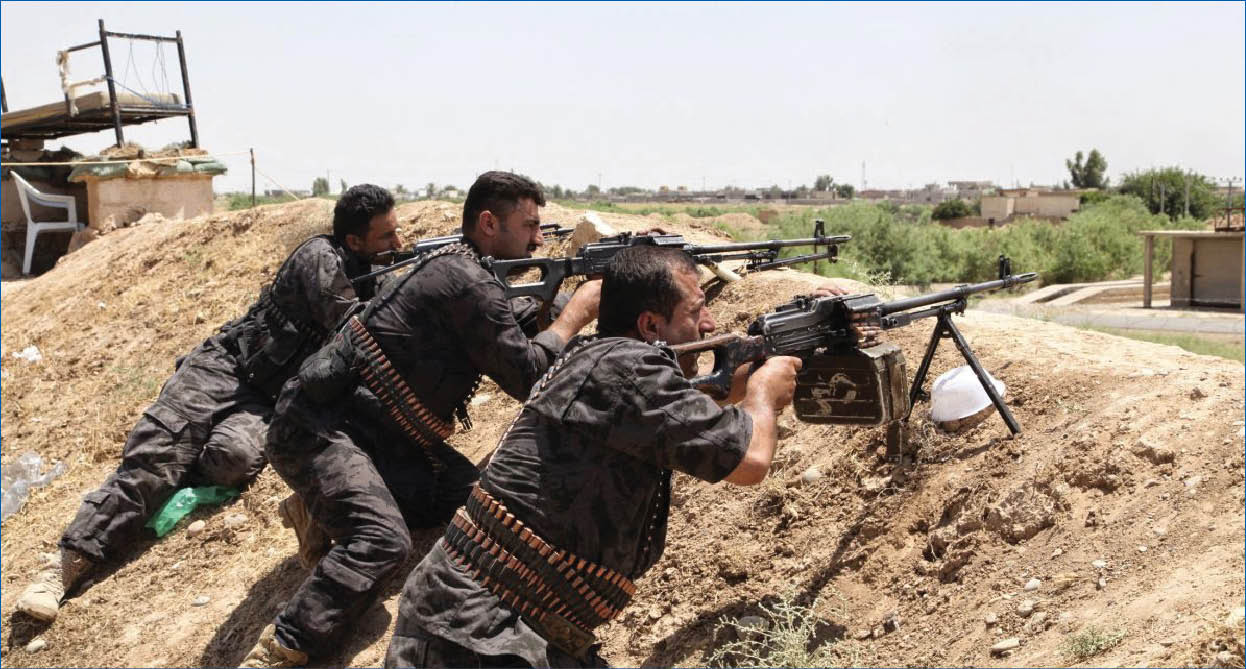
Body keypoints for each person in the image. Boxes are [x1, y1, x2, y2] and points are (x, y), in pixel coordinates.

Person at [240, 171, 602, 668]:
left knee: (472, 500)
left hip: (380, 436)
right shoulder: (466, 280)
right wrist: (576, 314)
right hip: (318, 428)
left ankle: (323, 506)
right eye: (529, 226)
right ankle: (283, 647)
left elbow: (509, 319)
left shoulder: (463, 269)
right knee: (382, 540)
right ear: (489, 223)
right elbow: (527, 377)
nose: (538, 239)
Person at [383, 245, 803, 668]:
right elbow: (750, 462)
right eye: (695, 311)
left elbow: (679, 414)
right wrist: (763, 396)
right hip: (476, 634)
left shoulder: (599, 357)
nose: (709, 323)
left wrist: (753, 373)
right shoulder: (630, 370)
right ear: (650, 325)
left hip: (486, 620)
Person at [14, 184, 401, 623]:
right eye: (387, 235)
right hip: (222, 369)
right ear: (354, 241)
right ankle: (65, 566)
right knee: (152, 462)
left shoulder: (376, 278)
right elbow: (348, 322)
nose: (398, 242)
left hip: (268, 401)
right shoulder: (319, 257)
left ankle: (171, 477)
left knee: (232, 459)